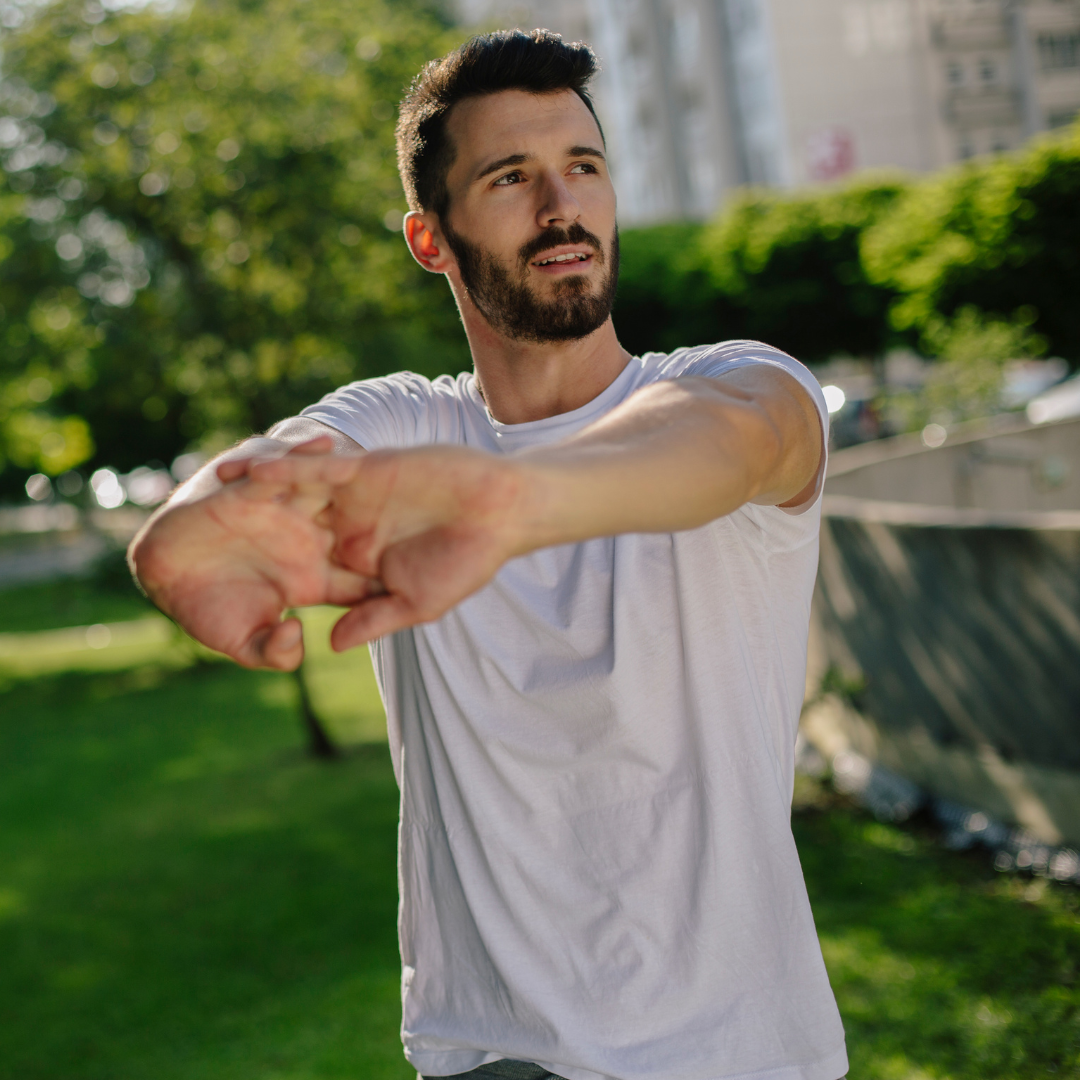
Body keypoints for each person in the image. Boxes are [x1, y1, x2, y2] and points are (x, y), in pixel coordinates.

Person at [130, 28, 848, 1080]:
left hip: (734, 1052)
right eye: (512, 178)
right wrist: (197, 543)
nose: (563, 209)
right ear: (431, 240)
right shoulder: (399, 427)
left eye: (584, 169)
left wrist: (510, 502)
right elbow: (218, 511)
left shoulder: (736, 383)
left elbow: (733, 443)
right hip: (491, 1058)